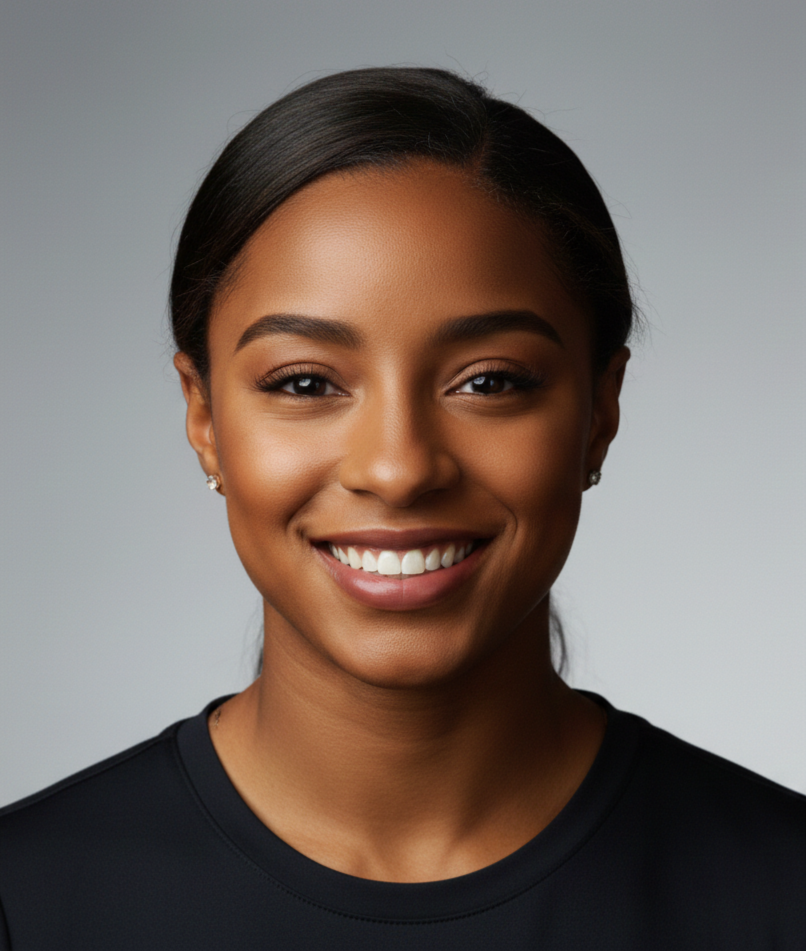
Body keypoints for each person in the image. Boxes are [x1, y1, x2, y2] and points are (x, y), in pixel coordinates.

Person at [0, 66, 802, 950]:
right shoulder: (28, 900)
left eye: (488, 381)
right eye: (305, 381)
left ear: (600, 411)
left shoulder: (780, 891)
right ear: (204, 417)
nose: (398, 467)